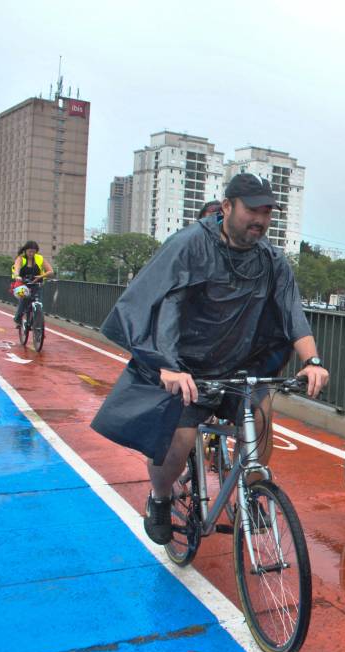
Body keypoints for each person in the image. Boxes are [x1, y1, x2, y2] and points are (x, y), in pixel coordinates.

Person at [91, 173, 329, 545]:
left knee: (262, 417)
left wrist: (312, 361)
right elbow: (157, 303)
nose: (261, 220)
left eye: (268, 213)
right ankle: (160, 498)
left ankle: (251, 495)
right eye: (253, 210)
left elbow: (292, 313)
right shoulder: (188, 245)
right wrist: (166, 366)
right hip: (186, 370)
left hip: (240, 365)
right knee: (179, 440)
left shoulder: (272, 260)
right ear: (227, 207)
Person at [11, 241, 54, 328]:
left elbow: (50, 271)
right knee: (24, 300)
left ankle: (38, 327)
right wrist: (17, 276)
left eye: (34, 251)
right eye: (30, 251)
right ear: (25, 250)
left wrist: (41, 276)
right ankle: (17, 318)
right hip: (22, 284)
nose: (31, 253)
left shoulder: (39, 258)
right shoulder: (21, 258)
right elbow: (17, 268)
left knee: (39, 303)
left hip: (37, 284)